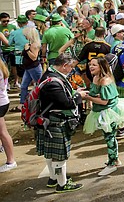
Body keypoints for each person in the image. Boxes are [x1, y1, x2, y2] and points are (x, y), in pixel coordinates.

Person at [34, 53, 83, 192]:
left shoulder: (50, 75)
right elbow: (66, 103)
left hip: (48, 120)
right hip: (55, 121)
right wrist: (79, 96)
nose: (72, 70)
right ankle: (62, 184)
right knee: (59, 156)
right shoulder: (53, 82)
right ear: (64, 66)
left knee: (50, 153)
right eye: (71, 67)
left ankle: (53, 178)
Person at [79, 57, 124, 176]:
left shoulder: (105, 80)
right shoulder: (95, 77)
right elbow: (97, 94)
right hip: (100, 110)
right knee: (109, 136)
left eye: (94, 65)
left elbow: (104, 101)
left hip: (108, 111)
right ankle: (115, 159)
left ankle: (112, 163)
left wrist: (88, 98)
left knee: (110, 137)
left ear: (101, 67)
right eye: (90, 64)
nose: (91, 67)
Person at [0, 57, 16, 173]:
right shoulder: (2, 65)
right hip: (3, 101)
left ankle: (11, 161)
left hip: (1, 103)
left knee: (3, 132)